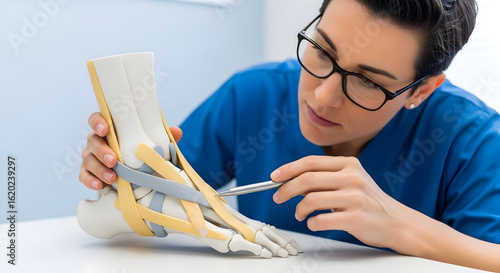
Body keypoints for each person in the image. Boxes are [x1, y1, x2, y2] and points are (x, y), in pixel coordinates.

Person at [80, 0, 500, 271]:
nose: (322, 95)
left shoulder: (474, 140)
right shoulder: (252, 95)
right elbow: (150, 206)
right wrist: (119, 174)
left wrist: (398, 227)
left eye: (368, 82)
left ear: (421, 90)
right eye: (322, 51)